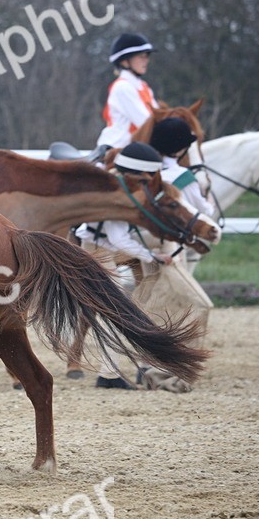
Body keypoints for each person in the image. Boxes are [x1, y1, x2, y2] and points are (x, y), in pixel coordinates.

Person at [73, 142, 171, 389]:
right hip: (100, 251)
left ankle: (110, 373)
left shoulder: (111, 181)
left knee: (113, 311)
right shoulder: (117, 192)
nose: (149, 180)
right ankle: (108, 376)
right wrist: (151, 256)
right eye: (146, 176)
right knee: (116, 311)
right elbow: (118, 238)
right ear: (134, 172)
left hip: (97, 247)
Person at [95, 33, 158, 152]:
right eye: (141, 57)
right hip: (116, 149)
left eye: (147, 56)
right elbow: (146, 123)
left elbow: (159, 118)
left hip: (137, 148)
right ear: (125, 62)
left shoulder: (144, 87)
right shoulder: (122, 87)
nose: (146, 61)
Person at [149, 117, 215, 218]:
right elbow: (204, 212)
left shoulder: (143, 172)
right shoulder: (184, 177)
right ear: (180, 151)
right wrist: (210, 200)